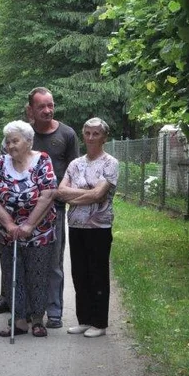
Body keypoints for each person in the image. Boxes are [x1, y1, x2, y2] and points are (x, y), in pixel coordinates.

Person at [0, 87, 77, 329]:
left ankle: (53, 311)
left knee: (51, 264)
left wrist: (33, 220)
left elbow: (72, 171)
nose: (47, 111)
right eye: (41, 107)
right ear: (31, 110)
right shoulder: (12, 141)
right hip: (11, 222)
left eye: (51, 105)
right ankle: (20, 313)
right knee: (16, 267)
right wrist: (9, 222)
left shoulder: (66, 134)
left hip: (50, 212)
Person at [0, 120, 58, 339]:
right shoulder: (2, 162)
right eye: (7, 141)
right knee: (11, 274)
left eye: (15, 141)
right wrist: (9, 224)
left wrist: (29, 225)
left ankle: (37, 319)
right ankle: (18, 320)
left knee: (38, 274)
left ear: (28, 141)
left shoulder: (42, 160)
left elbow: (48, 194)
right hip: (8, 232)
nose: (10, 146)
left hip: (39, 231)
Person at [57, 117, 119, 338]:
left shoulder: (110, 163)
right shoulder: (75, 164)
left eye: (96, 134)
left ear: (104, 137)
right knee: (79, 273)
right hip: (76, 225)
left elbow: (99, 194)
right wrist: (87, 196)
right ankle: (84, 319)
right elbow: (61, 191)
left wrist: (76, 196)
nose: (91, 138)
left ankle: (99, 322)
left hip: (99, 227)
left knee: (97, 273)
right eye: (87, 133)